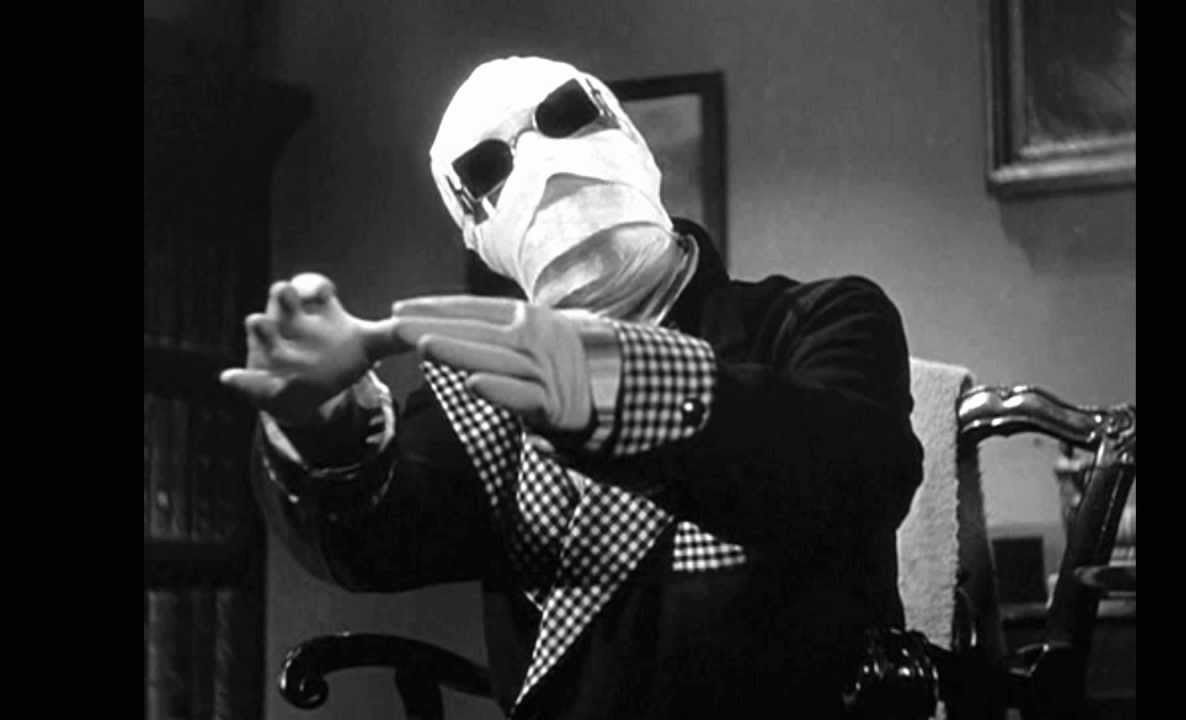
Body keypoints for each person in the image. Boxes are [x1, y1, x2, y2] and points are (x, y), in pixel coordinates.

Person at [221, 56, 924, 719]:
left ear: (634, 143)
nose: (542, 163)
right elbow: (383, 538)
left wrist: (617, 390)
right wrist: (328, 429)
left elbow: (853, 475)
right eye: (488, 167)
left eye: (565, 115)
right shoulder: (485, 396)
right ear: (476, 234)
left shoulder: (819, 318)